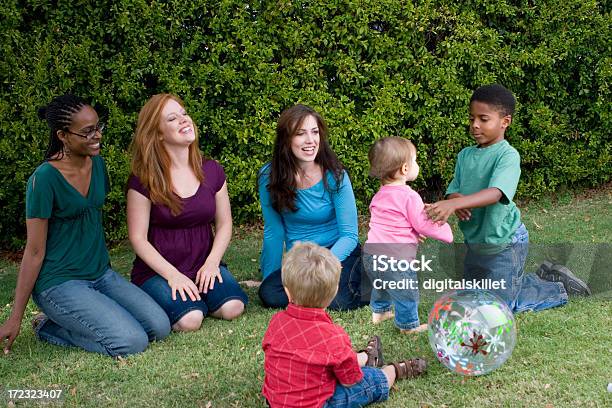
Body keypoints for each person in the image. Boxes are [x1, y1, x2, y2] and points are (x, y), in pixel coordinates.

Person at [0, 95, 170, 356]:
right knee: (131, 342)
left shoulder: (98, 165)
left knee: (159, 327)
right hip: (59, 282)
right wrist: (15, 317)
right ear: (63, 135)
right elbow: (34, 252)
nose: (97, 136)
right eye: (87, 131)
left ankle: (85, 318)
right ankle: (49, 328)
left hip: (101, 274)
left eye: (98, 127)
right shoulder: (43, 180)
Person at [425, 84, 590, 313]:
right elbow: (454, 188)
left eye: (483, 119)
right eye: (472, 118)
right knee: (472, 300)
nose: (474, 125)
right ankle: (534, 277)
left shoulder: (507, 155)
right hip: (476, 243)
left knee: (499, 307)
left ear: (505, 122)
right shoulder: (465, 155)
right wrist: (456, 198)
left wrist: (456, 203)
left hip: (505, 243)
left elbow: (496, 193)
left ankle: (557, 286)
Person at [127, 93, 247, 332]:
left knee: (232, 307)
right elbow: (137, 238)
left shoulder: (212, 170)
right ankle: (157, 297)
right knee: (190, 319)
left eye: (184, 113)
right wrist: (173, 276)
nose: (184, 120)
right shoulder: (143, 179)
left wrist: (212, 264)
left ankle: (200, 294)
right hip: (159, 270)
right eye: (172, 118)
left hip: (203, 264)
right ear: (158, 133)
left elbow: (224, 224)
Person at [262, 242, 427, 408]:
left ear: (287, 291)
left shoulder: (276, 322)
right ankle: (393, 370)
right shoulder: (333, 335)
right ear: (334, 292)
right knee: (370, 379)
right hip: (319, 403)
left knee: (329, 363)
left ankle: (368, 357)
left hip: (275, 401)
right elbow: (350, 380)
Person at [258, 104, 365, 310]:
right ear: (286, 139)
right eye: (300, 134)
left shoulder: (335, 175)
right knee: (270, 294)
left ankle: (370, 275)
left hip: (336, 252)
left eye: (314, 132)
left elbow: (349, 235)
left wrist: (323, 266)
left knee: (337, 302)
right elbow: (274, 231)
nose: (310, 140)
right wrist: (270, 275)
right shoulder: (268, 177)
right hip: (302, 258)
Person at [365, 137, 453, 333]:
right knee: (406, 291)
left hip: (371, 254)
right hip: (397, 259)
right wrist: (446, 231)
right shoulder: (409, 196)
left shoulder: (380, 194)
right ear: (405, 169)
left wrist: (410, 233)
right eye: (415, 161)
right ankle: (408, 325)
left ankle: (379, 312)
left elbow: (391, 224)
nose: (417, 165)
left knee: (380, 282)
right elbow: (423, 224)